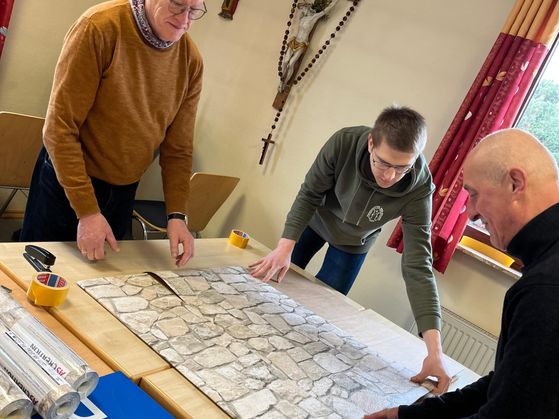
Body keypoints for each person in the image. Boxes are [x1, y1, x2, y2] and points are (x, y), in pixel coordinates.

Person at [250, 105, 450, 393]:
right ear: (371, 144)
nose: (390, 176)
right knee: (274, 282)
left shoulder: (420, 188)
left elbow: (418, 265)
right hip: (315, 221)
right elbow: (309, 194)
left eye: (401, 168)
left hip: (354, 243)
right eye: (383, 163)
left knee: (318, 314)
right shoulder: (344, 142)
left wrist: (435, 351)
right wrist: (285, 244)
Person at [366, 128, 559, 418]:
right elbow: (507, 385)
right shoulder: (545, 263)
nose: (471, 213)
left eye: (474, 194)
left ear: (515, 183)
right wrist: (408, 416)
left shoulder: (546, 289)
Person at [20, 0, 206, 267]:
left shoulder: (191, 61)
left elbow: (178, 149)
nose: (184, 19)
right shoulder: (99, 27)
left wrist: (177, 215)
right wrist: (87, 211)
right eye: (177, 5)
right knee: (41, 272)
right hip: (69, 181)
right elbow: (59, 129)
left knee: (102, 279)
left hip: (123, 191)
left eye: (194, 10)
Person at [279, 0, 338, 92]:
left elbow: (326, 10)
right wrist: (303, 6)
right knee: (285, 61)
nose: (304, 10)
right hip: (294, 41)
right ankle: (281, 82)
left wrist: (334, 2)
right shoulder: (302, 18)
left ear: (311, 10)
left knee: (291, 64)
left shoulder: (314, 18)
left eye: (306, 9)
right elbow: (300, 6)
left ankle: (286, 82)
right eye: (304, 9)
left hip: (302, 44)